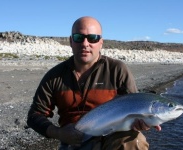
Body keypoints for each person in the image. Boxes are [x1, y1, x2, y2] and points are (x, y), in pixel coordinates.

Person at [27, 16, 161, 150]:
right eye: (79, 37)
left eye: (92, 38)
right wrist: (59, 133)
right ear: (71, 41)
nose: (85, 44)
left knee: (135, 140)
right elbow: (34, 115)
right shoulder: (54, 76)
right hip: (73, 141)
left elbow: (134, 105)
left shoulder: (117, 70)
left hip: (112, 138)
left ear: (101, 42)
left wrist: (144, 122)